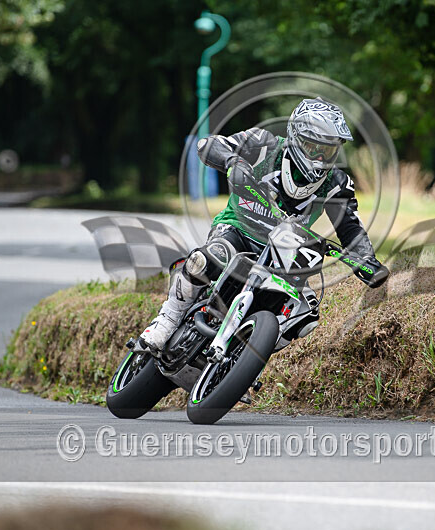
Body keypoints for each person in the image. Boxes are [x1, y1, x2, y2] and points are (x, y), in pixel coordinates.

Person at [140, 98, 389, 352]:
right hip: (238, 228)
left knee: (305, 314)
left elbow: (351, 228)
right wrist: (232, 162)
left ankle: (242, 364)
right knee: (209, 258)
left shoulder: (337, 183)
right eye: (313, 147)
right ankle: (168, 319)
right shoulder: (263, 144)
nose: (319, 157)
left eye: (327, 150)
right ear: (295, 137)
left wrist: (365, 260)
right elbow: (208, 144)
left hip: (287, 252)